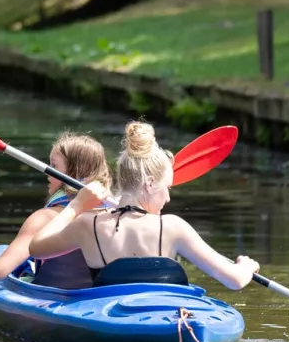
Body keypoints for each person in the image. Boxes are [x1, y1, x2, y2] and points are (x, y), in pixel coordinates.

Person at [26, 121, 258, 290]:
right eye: (167, 187)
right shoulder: (173, 227)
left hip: (110, 323)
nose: (168, 198)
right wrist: (246, 266)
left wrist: (75, 207)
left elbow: (35, 248)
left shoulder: (88, 224)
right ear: (148, 183)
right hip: (162, 321)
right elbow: (235, 280)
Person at [0, 132, 111, 287]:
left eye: (54, 166)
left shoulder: (44, 218)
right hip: (97, 298)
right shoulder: (116, 215)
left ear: (73, 173)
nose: (47, 174)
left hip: (54, 297)